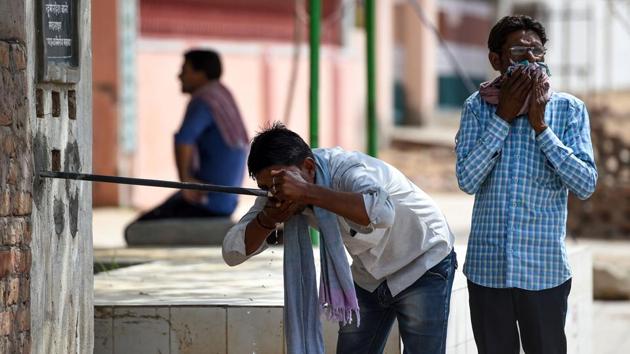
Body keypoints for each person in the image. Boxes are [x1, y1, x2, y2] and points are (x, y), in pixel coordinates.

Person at [223, 123, 456, 354]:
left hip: (423, 260)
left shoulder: (347, 170)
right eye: (267, 187)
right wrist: (266, 219)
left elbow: (382, 213)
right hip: (370, 275)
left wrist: (306, 192)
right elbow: (232, 253)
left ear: (309, 167)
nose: (277, 193)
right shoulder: (276, 193)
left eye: (282, 183)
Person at [455, 15, 597, 354]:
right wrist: (502, 118)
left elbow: (585, 183)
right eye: (520, 52)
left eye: (538, 52)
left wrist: (541, 127)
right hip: (489, 270)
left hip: (544, 270)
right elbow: (467, 180)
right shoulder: (478, 108)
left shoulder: (567, 109)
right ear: (497, 60)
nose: (532, 61)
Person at [125, 49, 248, 239]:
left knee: (135, 231)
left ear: (201, 74)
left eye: (184, 70)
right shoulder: (222, 95)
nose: (179, 76)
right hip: (226, 200)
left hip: (206, 201)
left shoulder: (203, 100)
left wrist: (186, 181)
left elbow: (184, 139)